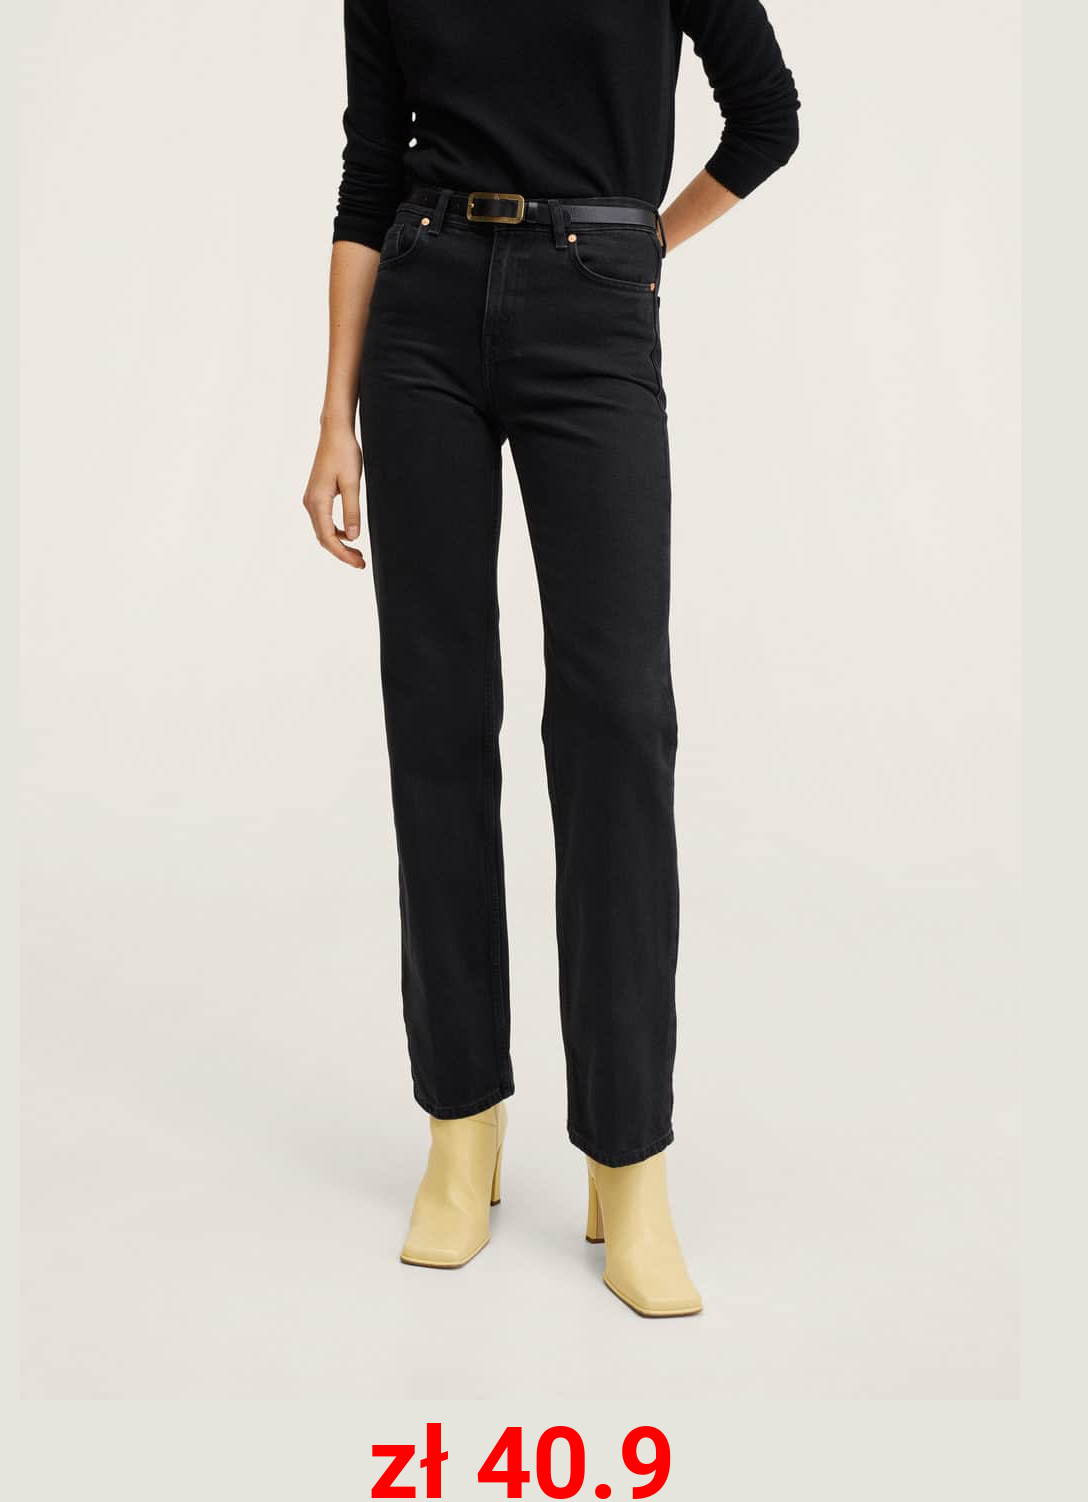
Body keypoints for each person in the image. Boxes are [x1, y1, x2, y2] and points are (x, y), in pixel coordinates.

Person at [303, 0, 799, 1317]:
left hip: (594, 308)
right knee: (436, 714)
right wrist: (333, 415)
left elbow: (768, 116)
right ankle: (460, 1127)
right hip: (419, 319)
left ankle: (626, 1160)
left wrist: (644, 247)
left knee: (616, 722)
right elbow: (368, 171)